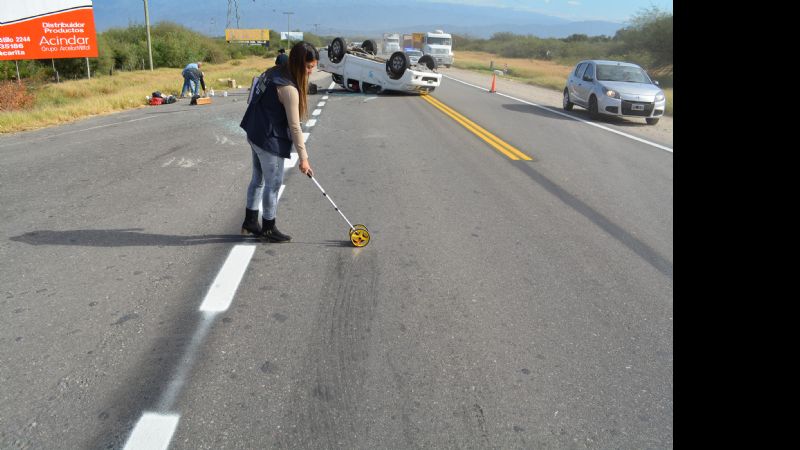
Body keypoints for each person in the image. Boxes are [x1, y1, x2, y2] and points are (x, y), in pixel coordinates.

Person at [239, 41, 319, 242]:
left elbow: (253, 96)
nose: (311, 71)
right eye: (308, 67)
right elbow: (295, 127)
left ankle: (250, 222)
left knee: (258, 179)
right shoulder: (289, 89)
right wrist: (304, 159)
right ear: (299, 64)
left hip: (254, 131)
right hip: (267, 139)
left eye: (313, 67)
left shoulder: (274, 71)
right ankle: (268, 226)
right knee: (273, 183)